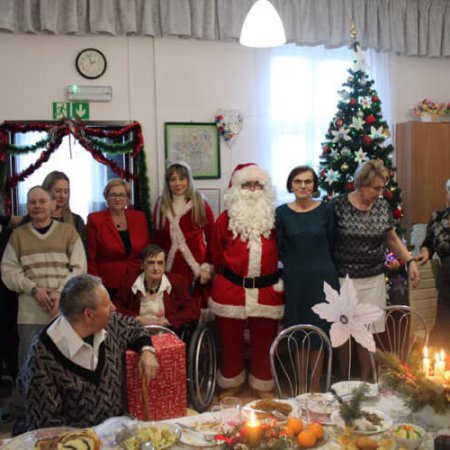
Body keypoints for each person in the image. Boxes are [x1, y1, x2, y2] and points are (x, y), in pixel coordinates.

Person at [17, 274, 159, 430]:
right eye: (107, 304)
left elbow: (134, 327)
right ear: (89, 314)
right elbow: (45, 428)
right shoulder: (42, 357)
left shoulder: (110, 323)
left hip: (114, 433)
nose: (113, 307)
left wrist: (147, 350)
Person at [332, 159, 420, 381]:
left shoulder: (381, 206)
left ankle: (369, 383)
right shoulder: (338, 206)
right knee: (343, 334)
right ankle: (344, 383)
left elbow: (391, 238)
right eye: (376, 188)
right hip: (344, 280)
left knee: (366, 335)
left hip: (373, 280)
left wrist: (410, 261)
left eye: (383, 188)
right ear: (361, 184)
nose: (380, 193)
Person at [210, 163, 284, 397]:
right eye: (247, 184)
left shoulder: (275, 219)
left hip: (267, 290)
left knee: (264, 341)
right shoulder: (224, 220)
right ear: (236, 188)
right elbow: (214, 252)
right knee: (230, 341)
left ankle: (262, 383)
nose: (252, 189)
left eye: (257, 184)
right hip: (231, 288)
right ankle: (231, 383)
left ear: (265, 189)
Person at [1, 186, 87, 369]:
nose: (37, 206)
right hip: (29, 314)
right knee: (29, 366)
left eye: (42, 201)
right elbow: (8, 271)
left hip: (63, 310)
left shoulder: (69, 233)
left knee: (66, 365)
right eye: (32, 202)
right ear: (27, 206)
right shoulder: (18, 236)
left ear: (53, 204)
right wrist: (34, 289)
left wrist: (59, 292)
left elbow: (79, 268)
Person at [275, 165, 338, 391]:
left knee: (319, 333)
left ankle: (315, 387)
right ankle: (301, 387)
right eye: (298, 181)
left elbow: (333, 242)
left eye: (308, 181)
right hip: (296, 280)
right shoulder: (281, 213)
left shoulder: (326, 210)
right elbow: (280, 247)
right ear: (291, 185)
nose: (303, 186)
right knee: (299, 331)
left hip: (323, 280)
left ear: (314, 185)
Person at [154, 161, 215, 309]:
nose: (177, 183)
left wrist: (207, 267)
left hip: (197, 267)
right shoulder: (161, 205)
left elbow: (213, 238)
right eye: (173, 179)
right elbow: (157, 241)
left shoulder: (200, 203)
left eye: (182, 179)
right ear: (168, 182)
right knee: (172, 308)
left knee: (195, 308)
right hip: (171, 268)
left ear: (188, 180)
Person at [114, 243, 200, 335]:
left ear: (164, 265)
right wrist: (137, 319)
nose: (156, 268)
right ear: (142, 265)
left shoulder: (177, 282)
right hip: (137, 334)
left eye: (160, 263)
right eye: (151, 262)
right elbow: (116, 308)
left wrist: (167, 321)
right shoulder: (130, 281)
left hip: (167, 334)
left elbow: (193, 310)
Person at [87, 178, 150, 297]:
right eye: (113, 195)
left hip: (137, 280)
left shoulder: (139, 217)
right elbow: (91, 257)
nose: (117, 199)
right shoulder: (96, 220)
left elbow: (147, 251)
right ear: (106, 197)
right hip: (107, 284)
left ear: (127, 198)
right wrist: (96, 285)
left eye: (122, 195)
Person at [417, 177, 450, 348]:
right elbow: (428, 244)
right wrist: (424, 253)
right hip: (447, 279)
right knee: (444, 323)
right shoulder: (438, 218)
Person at [20, 171, 87, 251]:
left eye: (66, 191)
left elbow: (82, 252)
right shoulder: (31, 219)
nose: (62, 196)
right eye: (58, 191)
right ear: (46, 191)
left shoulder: (76, 220)